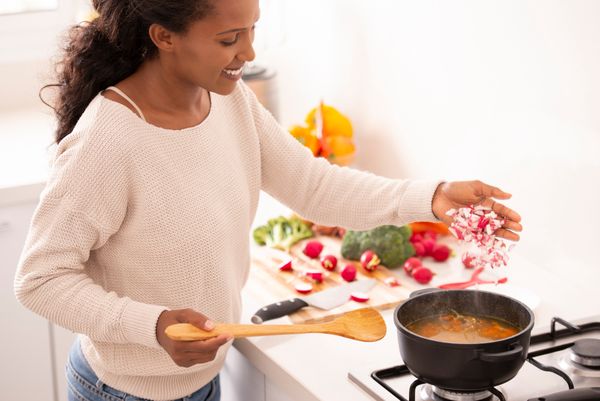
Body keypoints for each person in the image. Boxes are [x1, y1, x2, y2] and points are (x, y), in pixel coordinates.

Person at [13, 0, 522, 400]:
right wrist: (151, 326)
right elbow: (41, 279)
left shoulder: (230, 103)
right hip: (122, 393)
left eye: (252, 30)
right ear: (164, 36)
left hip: (201, 382)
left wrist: (432, 198)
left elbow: (314, 186)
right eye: (229, 38)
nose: (249, 53)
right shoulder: (108, 141)